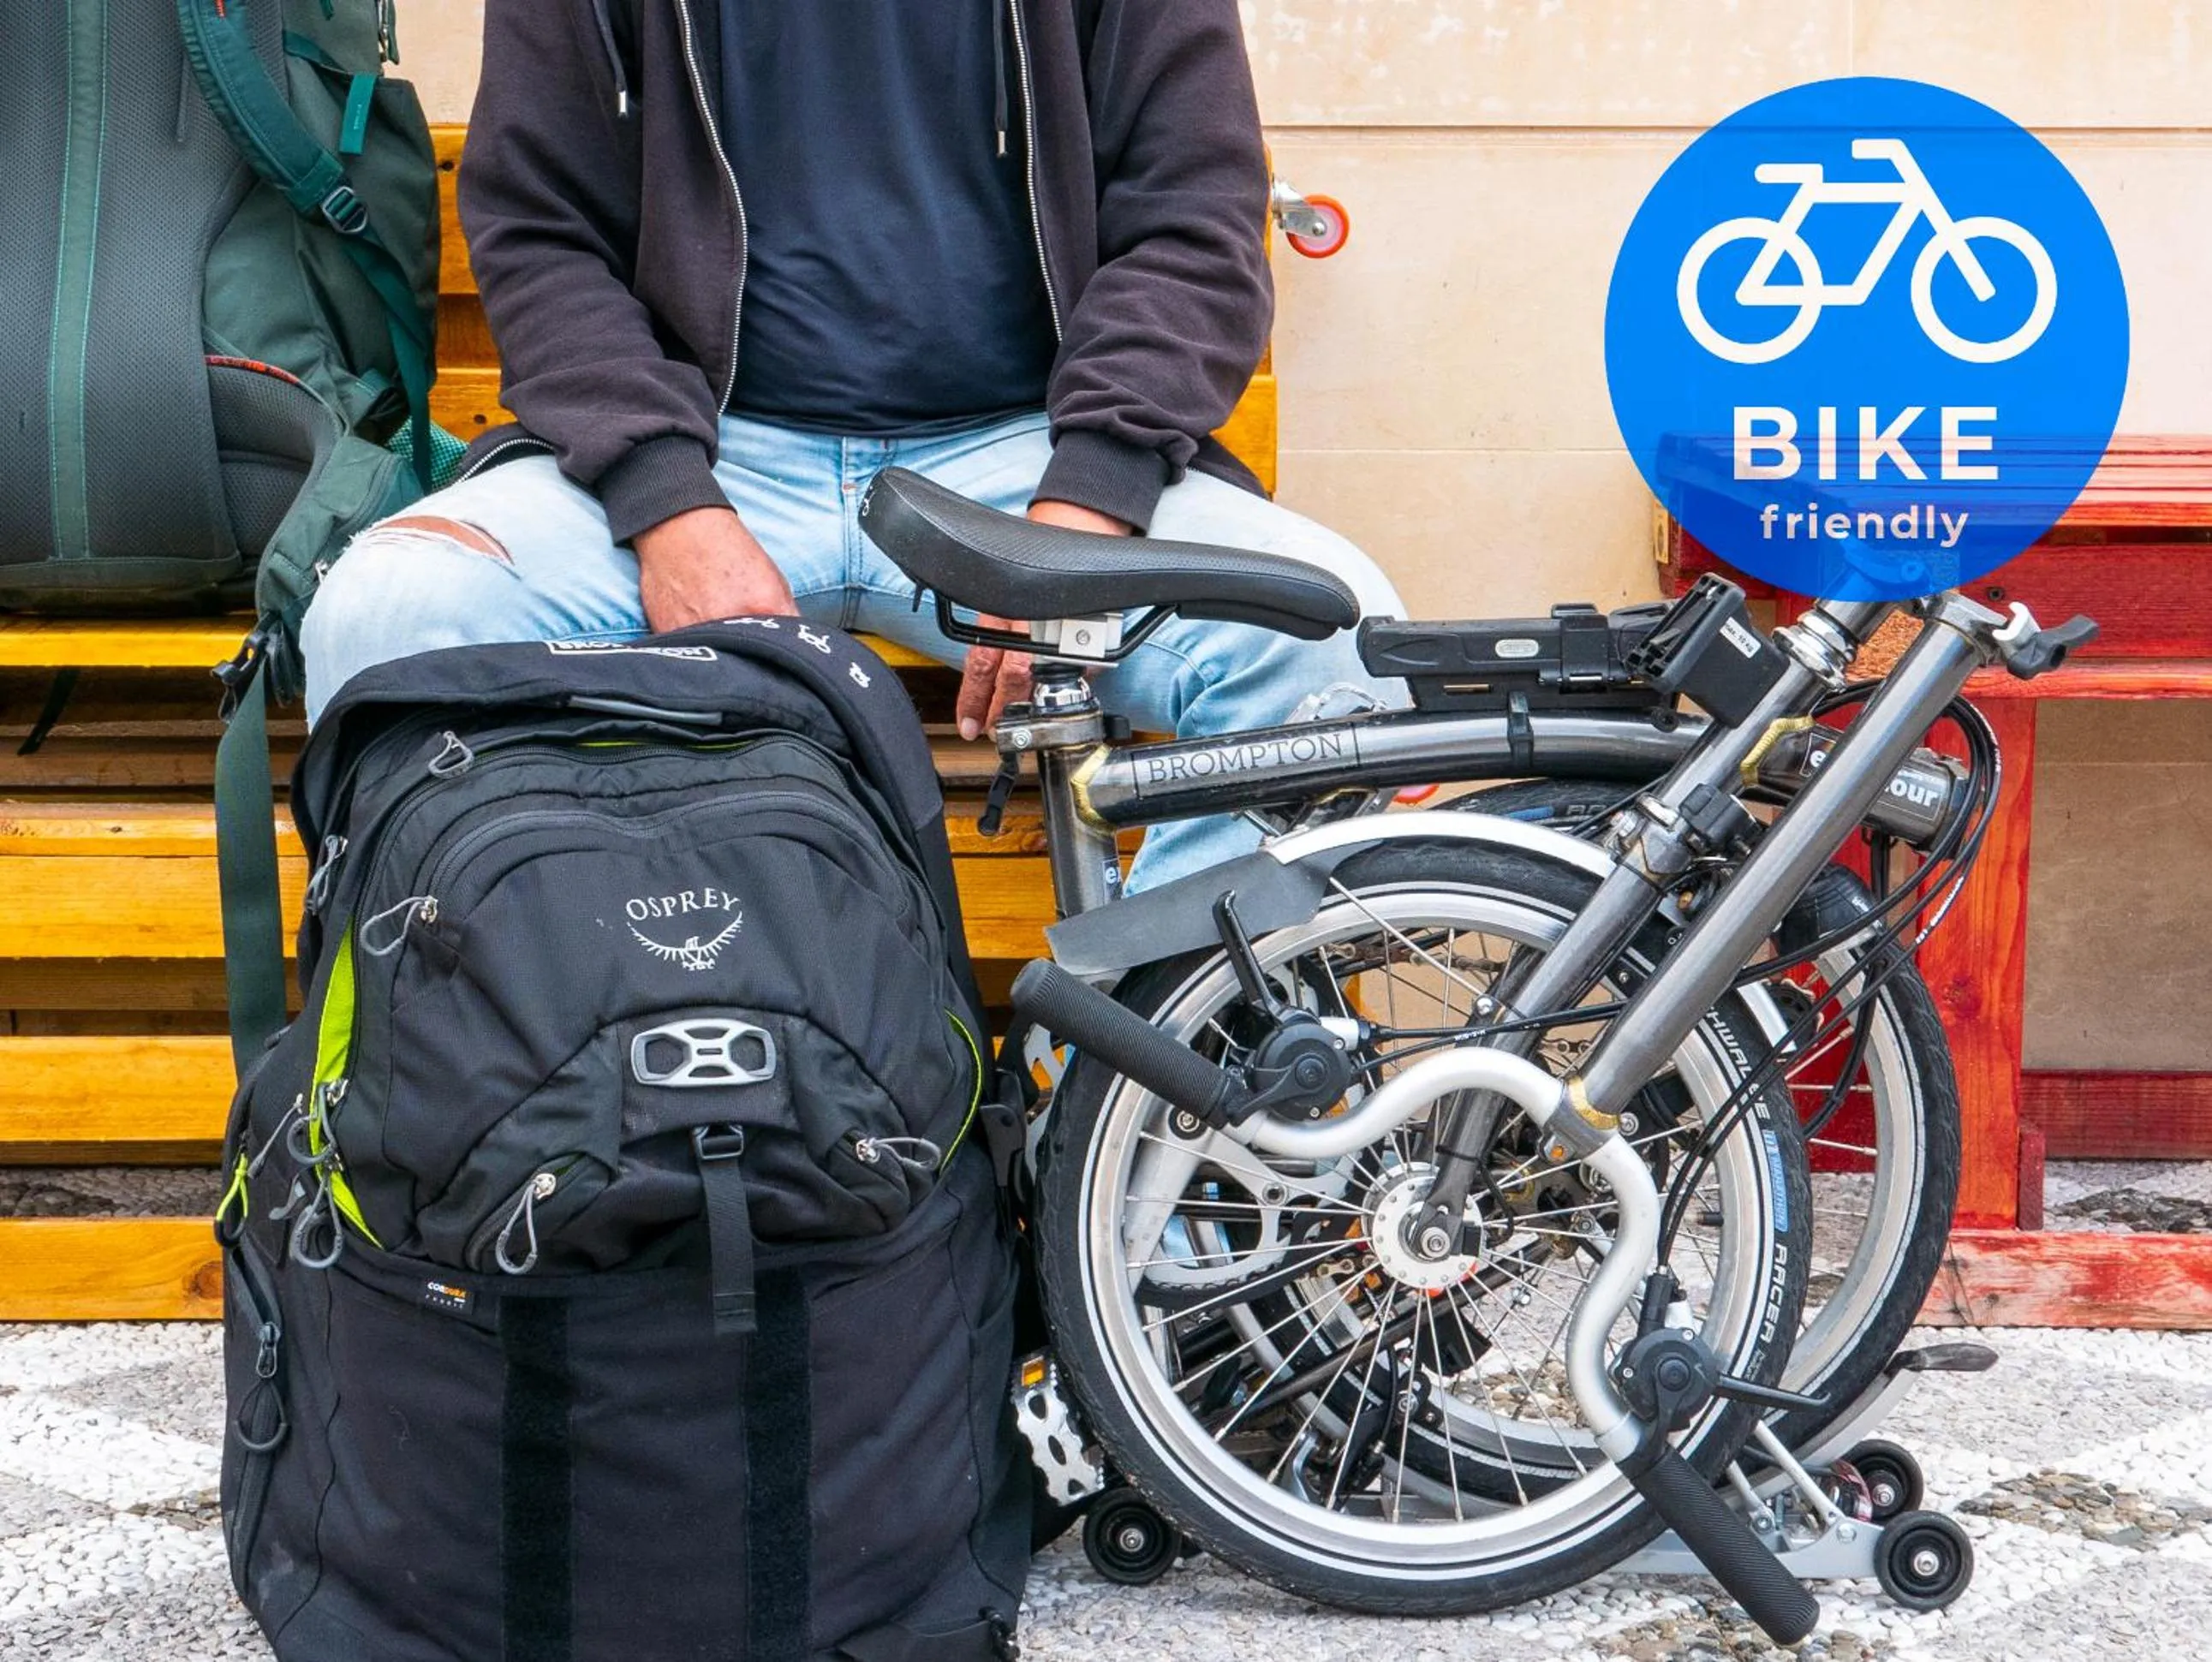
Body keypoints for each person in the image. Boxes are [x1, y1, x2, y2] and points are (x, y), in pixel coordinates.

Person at [301, 0, 1404, 891]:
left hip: (1020, 466)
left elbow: (1195, 219)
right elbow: (542, 235)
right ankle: (519, 1090)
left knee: (1345, 652)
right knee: (388, 621)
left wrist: (1080, 511)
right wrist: (667, 504)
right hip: (708, 452)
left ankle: (1133, 1097)